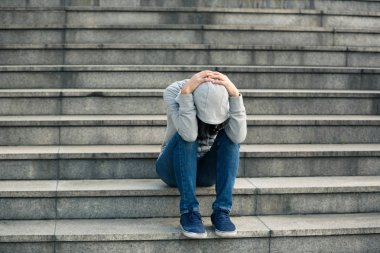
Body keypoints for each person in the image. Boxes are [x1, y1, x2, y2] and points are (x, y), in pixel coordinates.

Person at [155, 70, 247, 239]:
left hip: (204, 172)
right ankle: (188, 211)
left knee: (232, 138)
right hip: (170, 170)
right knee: (186, 136)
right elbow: (189, 134)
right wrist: (186, 94)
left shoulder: (225, 93)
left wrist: (235, 95)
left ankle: (222, 211)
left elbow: (238, 136)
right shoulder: (173, 92)